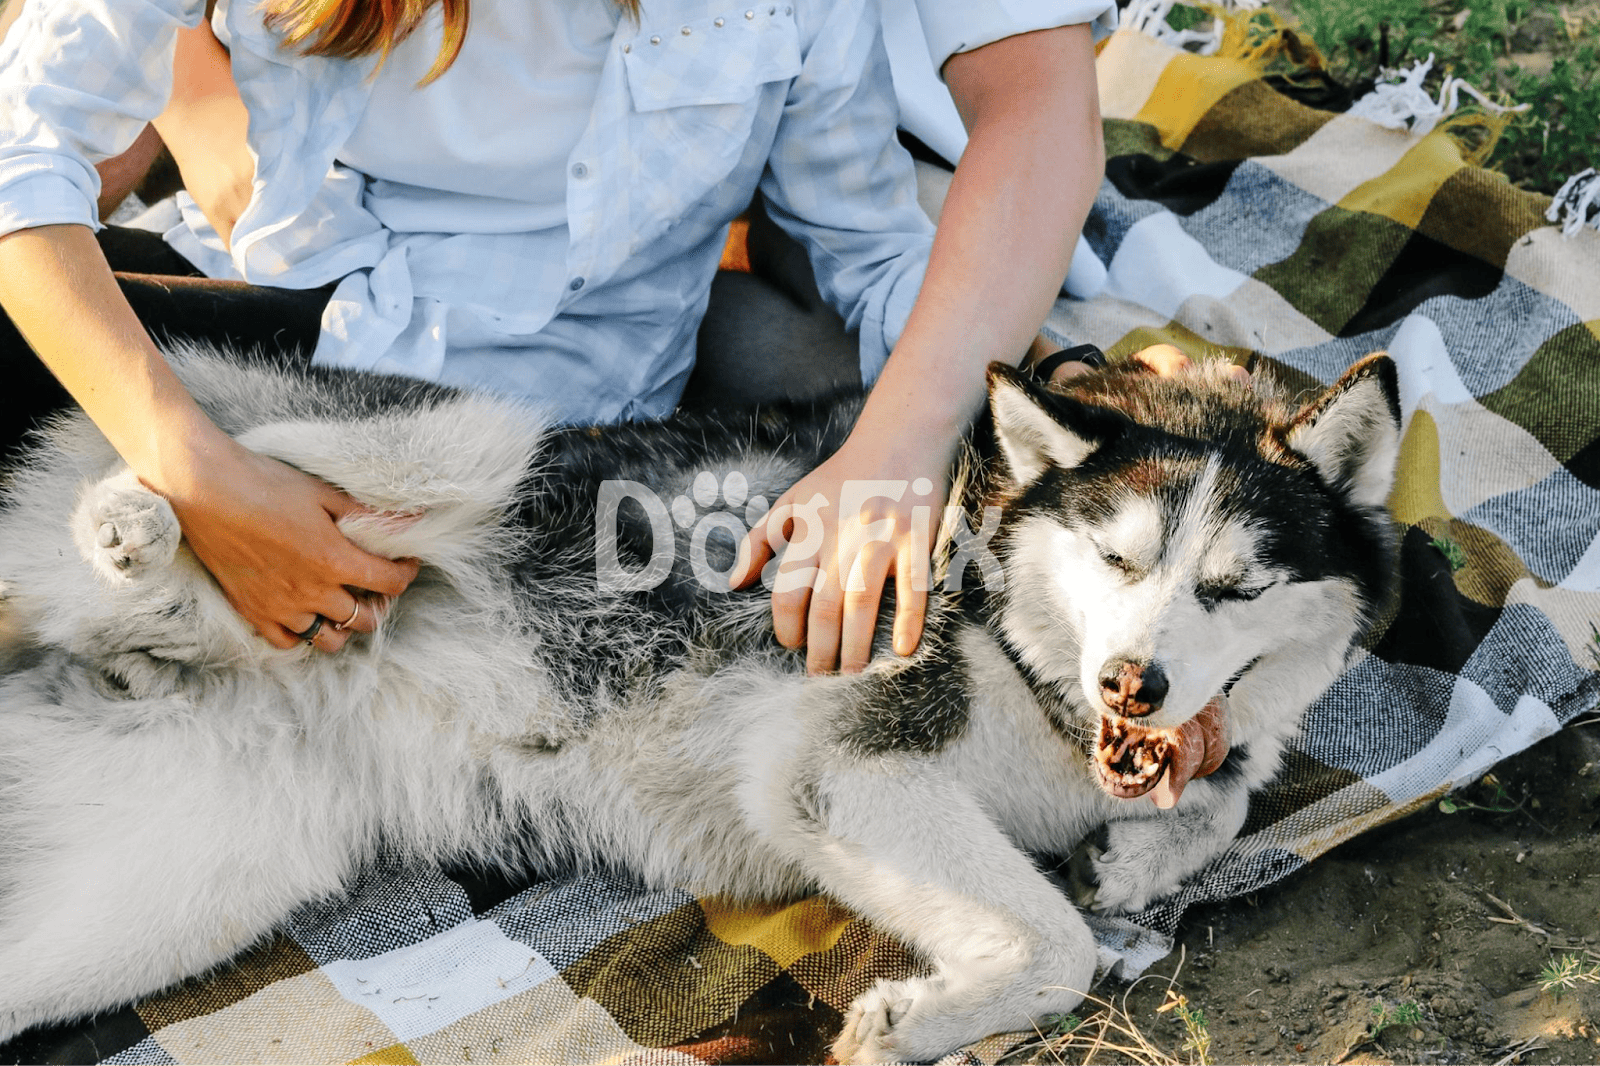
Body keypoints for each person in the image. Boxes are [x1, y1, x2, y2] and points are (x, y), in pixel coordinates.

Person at [0, 0, 936, 651]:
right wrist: (201, 475)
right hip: (271, 329)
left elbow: (873, 250)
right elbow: (22, 155)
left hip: (516, 452)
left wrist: (1014, 390)